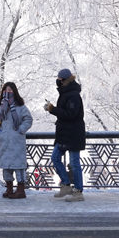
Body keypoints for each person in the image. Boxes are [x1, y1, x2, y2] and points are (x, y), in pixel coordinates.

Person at [44, 68, 86, 202]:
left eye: (59, 79)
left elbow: (71, 114)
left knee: (74, 163)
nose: (57, 81)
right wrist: (53, 109)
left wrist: (52, 109)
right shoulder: (66, 92)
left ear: (64, 80)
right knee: (55, 158)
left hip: (73, 133)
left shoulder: (73, 95)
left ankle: (78, 191)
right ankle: (66, 185)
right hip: (64, 133)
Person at [0, 82, 33, 199]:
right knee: (6, 166)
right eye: (5, 90)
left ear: (15, 92)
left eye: (10, 91)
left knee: (18, 166)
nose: (8, 93)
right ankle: (9, 188)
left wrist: (21, 130)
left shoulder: (21, 107)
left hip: (17, 141)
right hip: (4, 141)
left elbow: (28, 119)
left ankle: (21, 190)